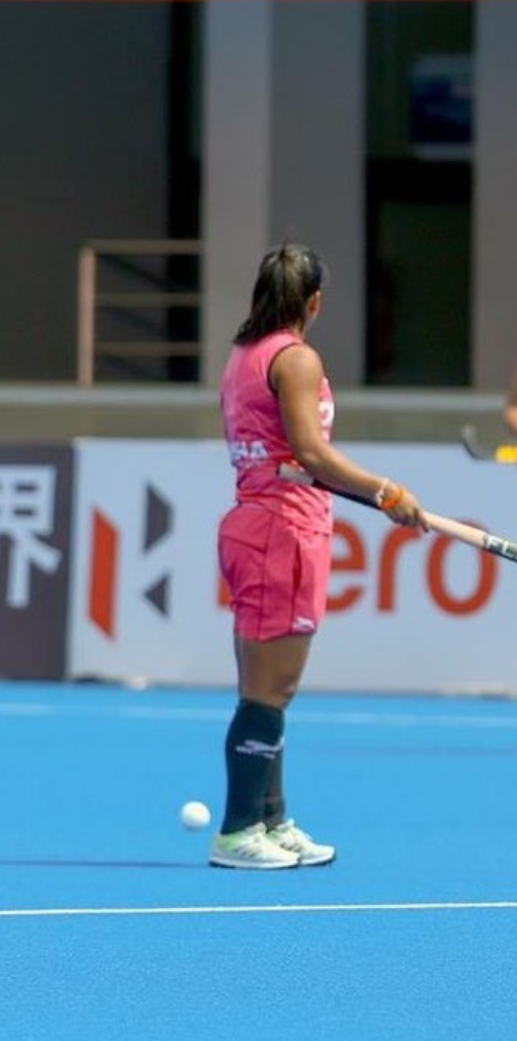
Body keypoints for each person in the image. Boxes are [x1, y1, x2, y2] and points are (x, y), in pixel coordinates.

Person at [213, 243, 422, 869]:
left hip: (268, 520)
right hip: (279, 531)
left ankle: (273, 820)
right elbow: (309, 450)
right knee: (268, 690)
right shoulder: (295, 359)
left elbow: (290, 457)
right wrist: (385, 490)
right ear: (314, 302)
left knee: (274, 688)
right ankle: (237, 830)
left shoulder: (246, 355)